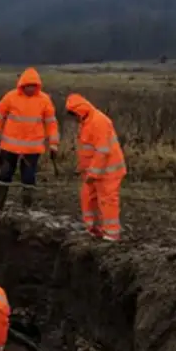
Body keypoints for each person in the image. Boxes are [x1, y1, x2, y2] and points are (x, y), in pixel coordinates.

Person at [0, 67, 59, 210]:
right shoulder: (10, 97)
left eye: (33, 86)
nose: (30, 88)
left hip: (32, 149)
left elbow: (51, 123)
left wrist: (53, 144)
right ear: (22, 85)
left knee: (28, 178)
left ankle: (26, 208)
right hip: (9, 147)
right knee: (5, 174)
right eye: (28, 86)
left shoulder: (44, 100)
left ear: (37, 86)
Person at [66, 93, 127, 242]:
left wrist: (93, 173)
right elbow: (88, 150)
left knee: (107, 201)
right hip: (95, 171)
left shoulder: (99, 121)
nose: (74, 119)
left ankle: (111, 234)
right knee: (88, 197)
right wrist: (83, 169)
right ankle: (94, 229)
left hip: (109, 171)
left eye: (74, 115)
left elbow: (102, 150)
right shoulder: (86, 122)